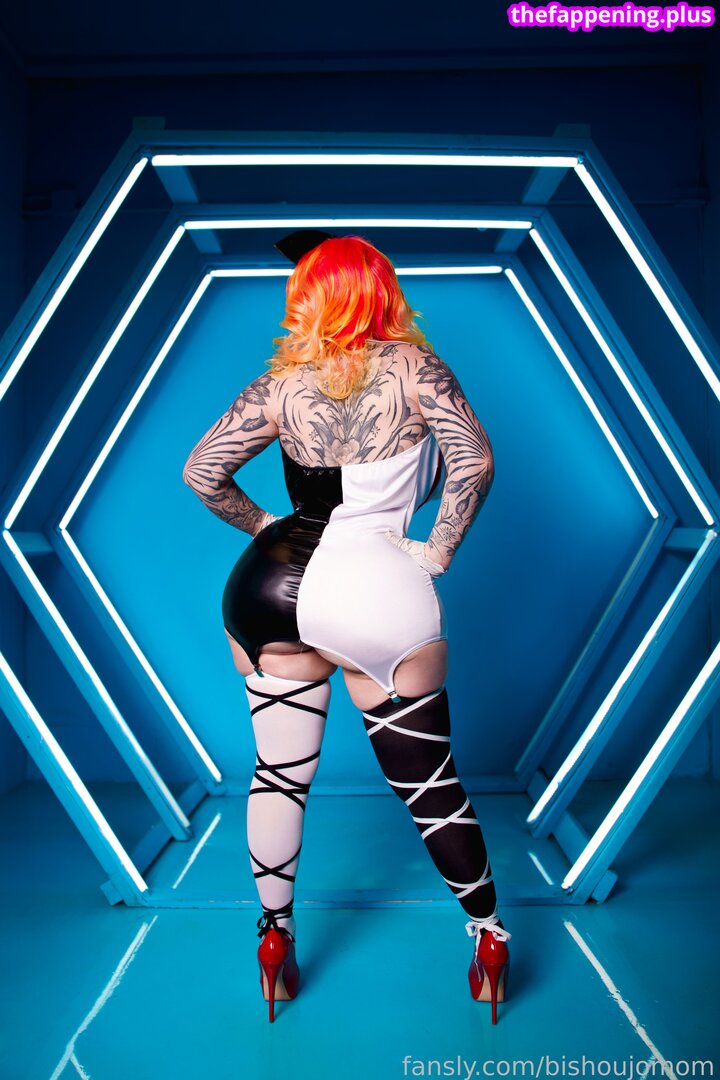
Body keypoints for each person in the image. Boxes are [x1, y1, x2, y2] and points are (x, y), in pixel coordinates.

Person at [182, 233, 511, 1024]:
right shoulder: (417, 370)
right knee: (429, 785)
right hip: (375, 589)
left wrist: (266, 526)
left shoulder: (281, 384)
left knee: (276, 775)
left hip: (268, 590)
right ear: (382, 291)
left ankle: (273, 939)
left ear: (307, 299)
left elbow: (202, 472)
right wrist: (438, 550)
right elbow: (473, 462)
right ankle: (489, 938)